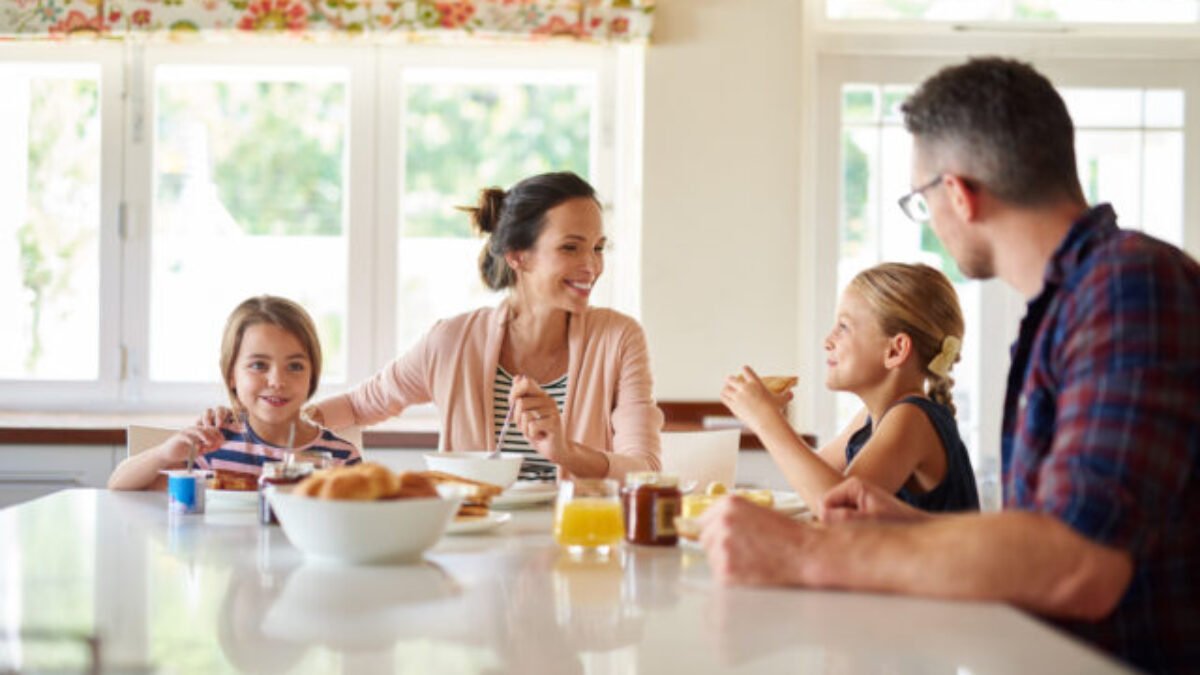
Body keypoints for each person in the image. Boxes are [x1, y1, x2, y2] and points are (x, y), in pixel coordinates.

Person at [698, 57, 1200, 672]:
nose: (929, 219)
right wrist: (908, 526)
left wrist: (804, 554)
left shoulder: (1129, 287)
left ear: (957, 193)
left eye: (920, 199)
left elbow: (1079, 562)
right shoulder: (1069, 307)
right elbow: (1048, 535)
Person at [282, 171, 661, 481]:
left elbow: (645, 468)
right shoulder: (451, 341)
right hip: (472, 546)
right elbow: (356, 405)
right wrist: (263, 422)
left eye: (598, 247)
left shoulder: (619, 339)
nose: (592, 266)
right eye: (571, 247)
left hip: (577, 545)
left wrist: (566, 451)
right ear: (517, 255)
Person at [722, 262, 978, 513]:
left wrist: (766, 421)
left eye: (843, 327)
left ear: (895, 350)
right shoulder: (872, 417)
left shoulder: (913, 417)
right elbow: (812, 476)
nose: (827, 341)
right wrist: (773, 416)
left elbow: (839, 507)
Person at [108, 295, 360, 490]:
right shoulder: (211, 445)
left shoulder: (340, 458)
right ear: (231, 375)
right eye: (258, 365)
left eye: (295, 366)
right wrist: (163, 454)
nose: (277, 381)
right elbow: (118, 484)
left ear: (312, 375)